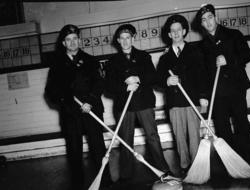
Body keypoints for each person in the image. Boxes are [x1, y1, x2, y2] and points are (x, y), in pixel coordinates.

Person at [194, 4, 250, 175]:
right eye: (204, 20)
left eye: (210, 17)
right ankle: (232, 166)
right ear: (201, 24)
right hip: (216, 93)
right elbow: (202, 74)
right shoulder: (201, 46)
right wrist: (203, 95)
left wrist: (229, 59)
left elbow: (247, 55)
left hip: (236, 88)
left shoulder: (233, 35)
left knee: (242, 124)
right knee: (223, 129)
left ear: (216, 18)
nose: (208, 22)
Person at [45, 24, 111, 189]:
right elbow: (50, 92)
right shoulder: (57, 65)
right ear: (64, 43)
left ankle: (105, 181)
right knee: (74, 151)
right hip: (70, 113)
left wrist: (90, 101)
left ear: (79, 40)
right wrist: (64, 100)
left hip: (91, 109)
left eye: (75, 38)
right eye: (68, 39)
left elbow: (99, 83)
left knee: (98, 149)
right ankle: (77, 185)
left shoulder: (91, 60)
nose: (72, 42)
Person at [105, 24, 172, 183]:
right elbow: (108, 87)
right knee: (126, 140)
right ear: (118, 41)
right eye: (122, 38)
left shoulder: (143, 56)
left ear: (133, 38)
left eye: (128, 37)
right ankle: (126, 175)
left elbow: (153, 78)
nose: (125, 41)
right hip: (124, 106)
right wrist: (125, 86)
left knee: (152, 136)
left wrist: (139, 79)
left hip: (144, 103)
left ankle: (163, 170)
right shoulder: (113, 61)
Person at [156, 14, 208, 176]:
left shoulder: (195, 51)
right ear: (169, 34)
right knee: (179, 136)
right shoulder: (164, 58)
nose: (176, 33)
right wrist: (167, 81)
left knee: (194, 136)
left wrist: (203, 96)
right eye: (173, 31)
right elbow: (157, 80)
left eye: (179, 29)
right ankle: (185, 165)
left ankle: (197, 164)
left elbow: (202, 75)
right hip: (174, 102)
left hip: (192, 100)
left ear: (184, 31)